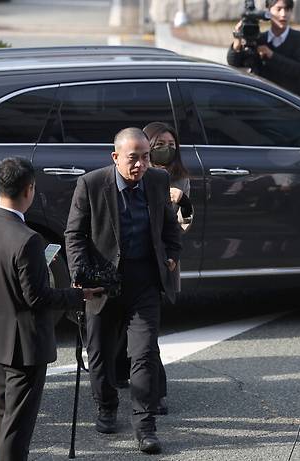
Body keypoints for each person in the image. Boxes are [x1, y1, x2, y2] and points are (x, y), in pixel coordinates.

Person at [0, 157, 101, 461]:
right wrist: (77, 296)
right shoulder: (28, 239)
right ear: (29, 189)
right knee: (18, 426)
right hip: (25, 346)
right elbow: (37, 298)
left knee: (1, 414)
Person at [65, 127, 181, 453]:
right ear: (115, 157)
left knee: (143, 353)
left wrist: (171, 255)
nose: (141, 165)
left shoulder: (156, 181)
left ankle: (145, 425)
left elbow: (169, 227)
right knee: (99, 352)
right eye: (134, 158)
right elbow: (74, 235)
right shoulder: (90, 184)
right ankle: (106, 405)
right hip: (102, 282)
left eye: (146, 157)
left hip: (144, 280)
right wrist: (80, 275)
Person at [114, 122, 192, 414]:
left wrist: (181, 201)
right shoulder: (132, 173)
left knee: (147, 338)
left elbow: (181, 227)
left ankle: (155, 393)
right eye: (160, 144)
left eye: (171, 144)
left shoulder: (177, 179)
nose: (166, 149)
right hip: (127, 263)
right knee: (123, 328)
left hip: (156, 264)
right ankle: (121, 373)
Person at [227, 0, 300, 98]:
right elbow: (234, 63)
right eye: (278, 9)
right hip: (263, 103)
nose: (283, 14)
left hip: (292, 105)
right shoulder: (259, 39)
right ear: (268, 11)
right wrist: (237, 39)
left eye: (287, 9)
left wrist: (271, 55)